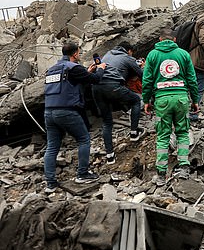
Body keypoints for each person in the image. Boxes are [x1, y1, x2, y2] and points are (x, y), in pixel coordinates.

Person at [43, 41, 107, 192]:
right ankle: (82, 174)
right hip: (66, 111)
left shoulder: (52, 69)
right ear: (75, 54)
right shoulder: (74, 67)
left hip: (48, 112)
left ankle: (50, 184)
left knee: (52, 147)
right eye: (79, 52)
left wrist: (87, 72)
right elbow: (96, 80)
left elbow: (69, 83)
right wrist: (100, 69)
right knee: (84, 139)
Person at [142, 27, 199, 185]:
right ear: (174, 40)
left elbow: (146, 80)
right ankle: (183, 167)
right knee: (182, 132)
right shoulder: (183, 54)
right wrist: (195, 100)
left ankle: (161, 174)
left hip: (162, 100)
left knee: (163, 136)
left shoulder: (153, 55)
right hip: (181, 99)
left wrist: (146, 100)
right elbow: (192, 80)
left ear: (159, 40)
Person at [92, 41, 145, 165]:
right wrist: (143, 66)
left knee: (107, 121)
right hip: (113, 86)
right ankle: (134, 133)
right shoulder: (127, 57)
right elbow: (142, 75)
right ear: (129, 50)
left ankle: (110, 156)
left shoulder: (107, 55)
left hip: (96, 88)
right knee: (136, 100)